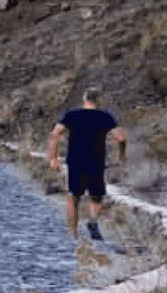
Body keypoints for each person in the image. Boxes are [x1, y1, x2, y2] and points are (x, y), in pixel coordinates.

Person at [48, 88, 127, 241]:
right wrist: (122, 155)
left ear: (84, 100)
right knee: (97, 195)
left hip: (75, 161)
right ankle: (92, 220)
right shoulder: (105, 116)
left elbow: (55, 134)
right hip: (96, 162)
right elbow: (121, 137)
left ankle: (73, 232)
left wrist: (53, 157)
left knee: (74, 197)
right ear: (98, 100)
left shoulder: (72, 114)